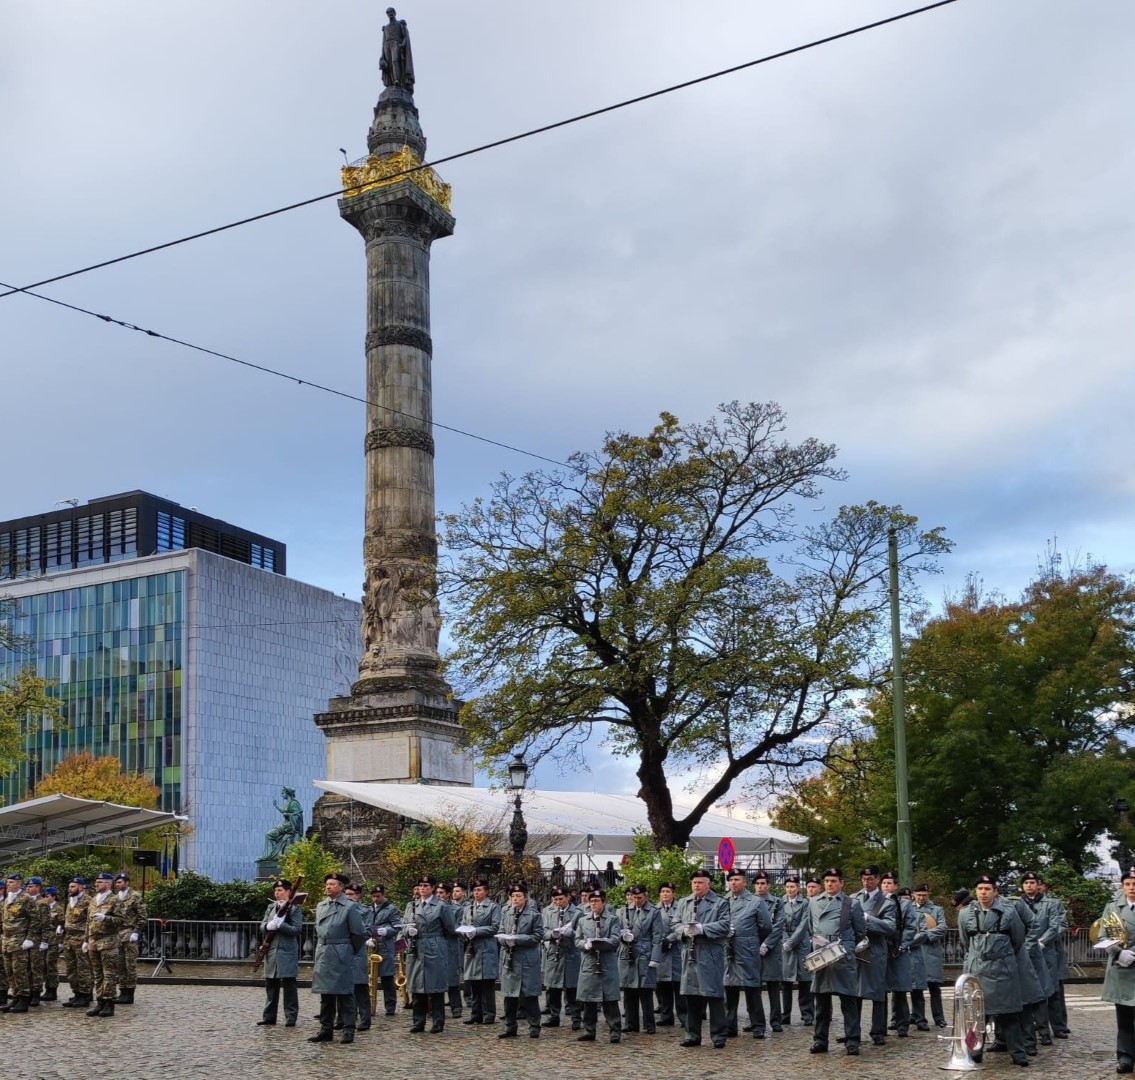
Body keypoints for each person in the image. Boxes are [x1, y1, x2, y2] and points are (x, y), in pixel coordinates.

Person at [958, 873, 1028, 1067]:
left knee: (1009, 1014)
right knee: (976, 1015)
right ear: (975, 891)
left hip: (1002, 969)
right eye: (980, 889)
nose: (983, 892)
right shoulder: (965, 913)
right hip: (978, 969)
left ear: (995, 892)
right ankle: (973, 1051)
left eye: (987, 889)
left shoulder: (1009, 911)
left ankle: (1018, 1053)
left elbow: (1018, 939)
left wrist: (1001, 956)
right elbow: (965, 941)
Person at [805, 866, 866, 1056]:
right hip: (822, 956)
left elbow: (860, 931)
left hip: (841, 955)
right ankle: (820, 1040)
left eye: (833, 881)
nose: (830, 884)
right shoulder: (814, 902)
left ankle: (852, 1040)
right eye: (827, 881)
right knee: (821, 1002)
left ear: (841, 883)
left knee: (848, 1001)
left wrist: (846, 947)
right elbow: (810, 927)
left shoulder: (851, 903)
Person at [674, 867, 730, 1049]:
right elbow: (674, 923)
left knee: (714, 996)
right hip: (689, 953)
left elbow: (724, 925)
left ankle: (719, 1035)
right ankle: (692, 1034)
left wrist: (703, 929)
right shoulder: (684, 902)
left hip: (710, 953)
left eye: (700, 882)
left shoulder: (719, 903)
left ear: (709, 884)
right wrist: (683, 930)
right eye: (694, 883)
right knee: (691, 996)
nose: (696, 885)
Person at [309, 871, 366, 1044]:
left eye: (332, 884)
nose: (328, 886)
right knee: (325, 995)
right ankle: (325, 1029)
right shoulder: (321, 905)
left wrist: (348, 950)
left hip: (342, 950)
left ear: (341, 887)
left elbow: (358, 933)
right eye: (327, 883)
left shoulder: (350, 906)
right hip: (324, 950)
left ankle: (348, 1029)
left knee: (345, 993)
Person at [403, 873, 456, 1034]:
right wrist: (408, 930)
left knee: (436, 987)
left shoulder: (441, 906)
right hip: (416, 946)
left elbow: (450, 928)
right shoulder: (412, 906)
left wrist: (437, 941)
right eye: (420, 886)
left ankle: (438, 1022)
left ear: (432, 889)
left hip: (434, 944)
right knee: (417, 987)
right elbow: (404, 924)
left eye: (426, 886)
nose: (422, 888)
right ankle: (418, 1022)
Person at [722, 868, 771, 1039]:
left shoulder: (755, 901)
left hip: (747, 948)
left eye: (737, 879)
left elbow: (766, 926)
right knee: (729, 987)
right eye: (731, 880)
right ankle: (729, 1026)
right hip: (728, 949)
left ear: (744, 882)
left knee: (752, 988)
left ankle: (758, 1026)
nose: (733, 883)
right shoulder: (724, 901)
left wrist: (753, 940)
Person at [853, 864, 896, 1046]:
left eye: (870, 879)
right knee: (853, 992)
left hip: (875, 950)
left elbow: (889, 927)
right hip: (856, 950)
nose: (867, 882)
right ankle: (852, 1032)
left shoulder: (887, 902)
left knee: (878, 991)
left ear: (878, 879)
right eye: (864, 879)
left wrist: (867, 919)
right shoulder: (853, 898)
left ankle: (878, 1031)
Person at [574, 886, 624, 1043]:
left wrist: (602, 943)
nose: (593, 904)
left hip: (606, 961)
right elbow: (577, 939)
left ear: (604, 903)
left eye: (597, 901)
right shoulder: (583, 920)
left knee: (610, 999)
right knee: (588, 999)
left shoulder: (613, 919)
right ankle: (589, 1030)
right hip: (589, 962)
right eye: (591, 901)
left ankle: (615, 1030)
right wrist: (585, 944)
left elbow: (616, 939)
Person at [497, 881, 544, 1039]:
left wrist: (519, 939)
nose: (515, 899)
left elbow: (537, 936)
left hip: (526, 958)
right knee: (509, 995)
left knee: (529, 994)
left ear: (525, 898)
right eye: (513, 896)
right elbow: (501, 931)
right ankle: (510, 1026)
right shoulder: (506, 912)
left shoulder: (534, 915)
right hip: (509, 958)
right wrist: (505, 940)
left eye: (518, 896)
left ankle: (534, 1026)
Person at [1100, 865, 1135, 1073]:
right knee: (1124, 1019)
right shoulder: (1112, 907)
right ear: (1122, 887)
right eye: (1128, 884)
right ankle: (1125, 1057)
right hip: (1122, 968)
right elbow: (1103, 936)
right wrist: (1118, 952)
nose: (1132, 888)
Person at [257, 877, 303, 1027]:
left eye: (280, 890)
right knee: (271, 984)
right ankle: (269, 1017)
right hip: (271, 951)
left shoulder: (294, 909)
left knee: (289, 985)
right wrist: (268, 926)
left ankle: (291, 1017)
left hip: (286, 951)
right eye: (275, 891)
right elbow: (263, 925)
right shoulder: (271, 908)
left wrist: (280, 925)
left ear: (289, 892)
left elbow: (297, 930)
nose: (277, 893)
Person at [618, 883, 663, 1034]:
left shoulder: (654, 912)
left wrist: (655, 957)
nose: (636, 900)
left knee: (646, 991)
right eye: (633, 897)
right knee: (629, 990)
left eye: (639, 897)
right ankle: (631, 1023)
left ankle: (649, 1024)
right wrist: (622, 936)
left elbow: (657, 936)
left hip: (645, 952)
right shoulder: (624, 911)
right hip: (628, 952)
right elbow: (616, 929)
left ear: (646, 896)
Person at [459, 876, 501, 1025]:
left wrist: (476, 930)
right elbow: (463, 923)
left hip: (486, 947)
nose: (476, 893)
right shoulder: (468, 907)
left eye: (479, 890)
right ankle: (476, 1013)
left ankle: (489, 1014)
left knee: (487, 984)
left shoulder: (493, 907)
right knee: (474, 982)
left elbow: (495, 927)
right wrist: (465, 931)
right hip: (472, 948)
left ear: (486, 892)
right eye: (475, 890)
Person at [1, 872, 44, 1014]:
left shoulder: (25, 898)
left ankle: (24, 998)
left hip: (19, 940)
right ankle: (15, 997)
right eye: (7, 883)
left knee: (20, 971)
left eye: (11, 883)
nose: (8, 885)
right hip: (7, 940)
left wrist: (30, 938)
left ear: (19, 884)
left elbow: (36, 919)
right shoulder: (8, 898)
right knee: (10, 971)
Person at [880, 873, 916, 1038]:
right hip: (882, 950)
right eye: (884, 883)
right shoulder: (877, 902)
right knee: (880, 990)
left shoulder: (905, 904)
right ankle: (881, 1026)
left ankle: (903, 1024)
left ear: (896, 886)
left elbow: (910, 926)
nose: (887, 886)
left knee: (900, 989)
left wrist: (903, 945)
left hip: (899, 949)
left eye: (890, 883)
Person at [541, 884, 581, 1028]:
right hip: (554, 951)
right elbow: (542, 931)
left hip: (570, 951)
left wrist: (571, 934)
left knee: (572, 987)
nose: (558, 902)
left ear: (568, 897)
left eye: (561, 899)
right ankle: (554, 1016)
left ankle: (576, 1018)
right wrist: (552, 934)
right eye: (556, 899)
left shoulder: (577, 912)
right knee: (553, 987)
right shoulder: (548, 911)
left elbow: (581, 932)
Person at [84, 871, 123, 1017]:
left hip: (108, 942)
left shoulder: (115, 900)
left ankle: (109, 1003)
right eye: (96, 882)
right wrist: (85, 939)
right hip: (94, 942)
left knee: (109, 974)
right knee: (97, 974)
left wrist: (106, 918)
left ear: (108, 884)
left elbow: (121, 921)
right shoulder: (94, 900)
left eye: (100, 882)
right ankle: (100, 1001)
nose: (96, 884)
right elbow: (88, 922)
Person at [910, 883, 947, 1029]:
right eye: (918, 895)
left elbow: (942, 928)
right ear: (914, 895)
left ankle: (939, 1018)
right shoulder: (909, 908)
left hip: (931, 951)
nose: (921, 898)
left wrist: (924, 936)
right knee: (916, 987)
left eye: (924, 895)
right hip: (915, 951)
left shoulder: (936, 910)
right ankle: (919, 1018)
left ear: (928, 895)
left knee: (934, 987)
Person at [752, 870, 786, 1031]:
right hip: (752, 948)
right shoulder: (748, 902)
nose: (760, 886)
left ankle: (775, 1021)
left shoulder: (777, 902)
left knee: (773, 986)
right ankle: (755, 1020)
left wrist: (767, 944)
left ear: (768, 885)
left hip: (771, 949)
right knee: (753, 986)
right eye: (757, 884)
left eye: (763, 883)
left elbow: (779, 925)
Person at [780, 874, 814, 1025]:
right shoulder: (780, 902)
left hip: (801, 945)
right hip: (784, 943)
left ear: (798, 888)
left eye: (792, 886)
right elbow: (778, 922)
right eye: (787, 887)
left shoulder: (805, 903)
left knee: (804, 981)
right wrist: (784, 940)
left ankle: (807, 1014)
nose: (790, 889)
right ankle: (785, 1014)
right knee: (786, 982)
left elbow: (804, 925)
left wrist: (791, 941)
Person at [655, 881, 686, 1028]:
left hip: (677, 947)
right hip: (662, 950)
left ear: (673, 893)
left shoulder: (681, 906)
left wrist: (671, 938)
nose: (665, 894)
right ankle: (666, 1016)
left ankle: (684, 1016)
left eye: (668, 891)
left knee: (679, 985)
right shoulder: (655, 909)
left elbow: (683, 925)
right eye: (663, 891)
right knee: (664, 985)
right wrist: (661, 940)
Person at [367, 884, 401, 1017]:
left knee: (387, 977)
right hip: (371, 945)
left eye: (378, 896)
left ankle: (390, 1006)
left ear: (383, 895)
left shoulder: (391, 909)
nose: (375, 899)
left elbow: (397, 926)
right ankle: (368, 1005)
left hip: (385, 946)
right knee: (369, 977)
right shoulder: (368, 909)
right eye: (373, 896)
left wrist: (387, 931)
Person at [343, 883, 372, 1032]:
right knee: (345, 986)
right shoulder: (342, 907)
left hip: (358, 949)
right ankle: (347, 1018)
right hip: (343, 950)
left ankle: (365, 1019)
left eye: (352, 894)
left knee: (360, 985)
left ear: (358, 895)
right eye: (347, 894)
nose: (349, 897)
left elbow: (366, 930)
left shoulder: (366, 910)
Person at [113, 871, 146, 1005]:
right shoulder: (115, 898)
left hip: (129, 933)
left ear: (127, 883)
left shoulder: (135, 896)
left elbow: (142, 916)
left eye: (120, 882)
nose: (118, 884)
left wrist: (136, 931)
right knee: (120, 964)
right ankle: (122, 991)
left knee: (130, 965)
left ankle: (129, 993)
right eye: (116, 882)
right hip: (117, 934)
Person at [60, 877, 93, 1009]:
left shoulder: (88, 901)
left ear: (81, 887)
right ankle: (77, 992)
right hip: (68, 940)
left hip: (80, 939)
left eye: (73, 886)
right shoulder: (70, 901)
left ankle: (85, 994)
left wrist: (87, 939)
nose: (70, 889)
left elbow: (90, 921)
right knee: (71, 969)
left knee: (83, 968)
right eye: (69, 886)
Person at [436, 881, 463, 1018]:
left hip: (450, 944)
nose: (439, 895)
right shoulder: (433, 907)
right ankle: (434, 1007)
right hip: (436, 944)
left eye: (442, 893)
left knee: (452, 977)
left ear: (448, 894)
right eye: (437, 893)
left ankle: (456, 1007)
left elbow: (458, 926)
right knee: (435, 978)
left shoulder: (456, 909)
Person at [38, 885, 64, 1002]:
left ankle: (52, 990)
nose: (45, 898)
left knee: (51, 965)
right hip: (43, 940)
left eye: (47, 896)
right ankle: (46, 989)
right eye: (44, 896)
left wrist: (61, 941)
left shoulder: (59, 909)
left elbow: (63, 925)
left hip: (54, 940)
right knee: (43, 965)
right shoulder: (43, 907)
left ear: (54, 896)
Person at [380, 7, 414, 91]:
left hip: (396, 43)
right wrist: (382, 56)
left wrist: (402, 44)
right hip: (387, 45)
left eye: (391, 12)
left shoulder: (400, 24)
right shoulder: (386, 27)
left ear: (395, 13)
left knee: (395, 61)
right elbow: (383, 42)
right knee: (389, 64)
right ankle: (392, 82)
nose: (390, 13)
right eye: (388, 12)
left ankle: (397, 80)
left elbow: (405, 36)